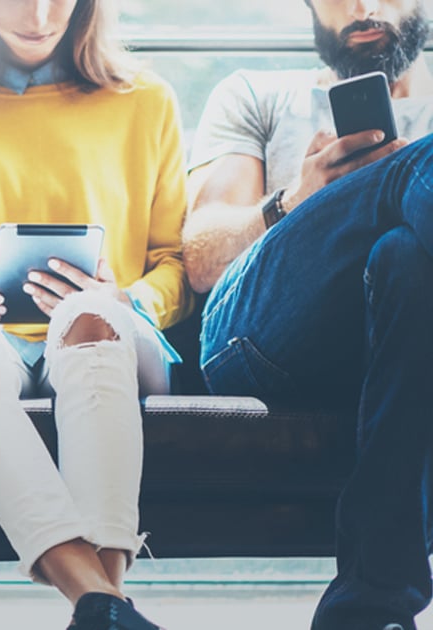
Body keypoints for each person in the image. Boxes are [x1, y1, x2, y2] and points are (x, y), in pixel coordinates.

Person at [0, 1, 191, 628]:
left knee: (86, 316)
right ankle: (103, 604)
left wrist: (127, 297)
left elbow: (176, 266)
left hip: (106, 329)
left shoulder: (146, 100)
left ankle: (102, 596)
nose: (40, 14)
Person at [182, 0, 433, 627]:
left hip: (404, 345)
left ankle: (368, 608)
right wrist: (295, 198)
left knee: (404, 254)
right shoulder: (256, 93)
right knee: (422, 169)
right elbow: (202, 259)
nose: (366, 8)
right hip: (261, 340)